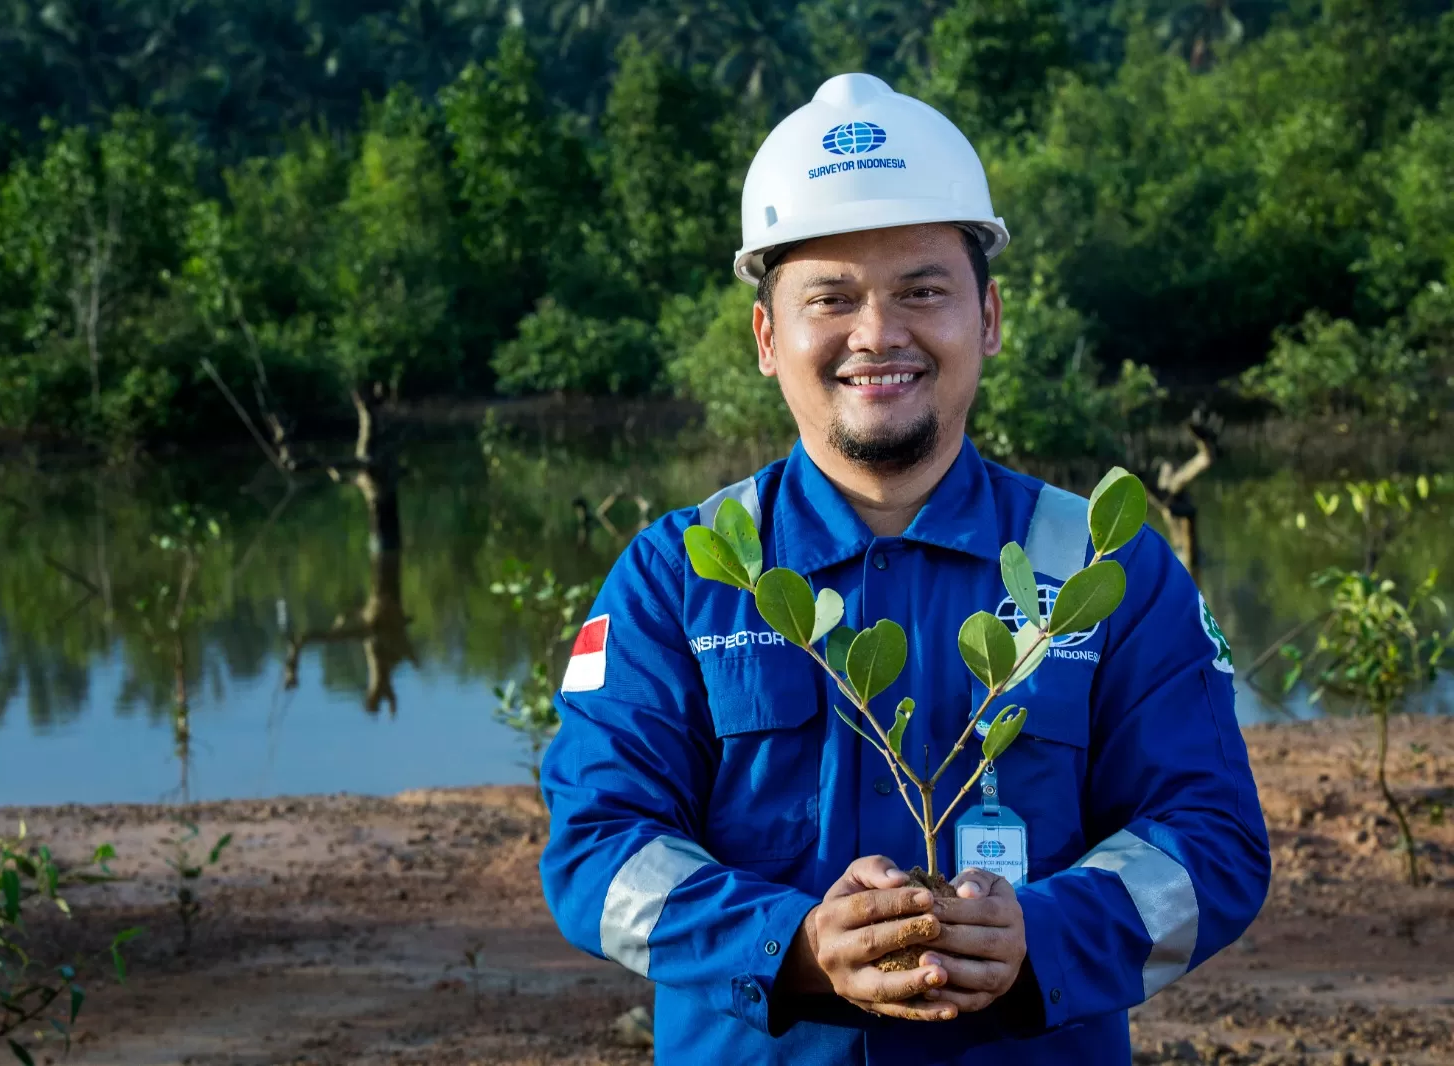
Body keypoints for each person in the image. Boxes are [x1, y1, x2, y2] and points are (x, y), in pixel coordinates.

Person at [539, 73, 1270, 1065]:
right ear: (767, 336)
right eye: (830, 298)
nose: (878, 333)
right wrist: (790, 945)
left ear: (989, 317)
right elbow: (598, 846)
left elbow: (1212, 837)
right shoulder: (678, 575)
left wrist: (1042, 935)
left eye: (923, 291)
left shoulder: (1107, 565)